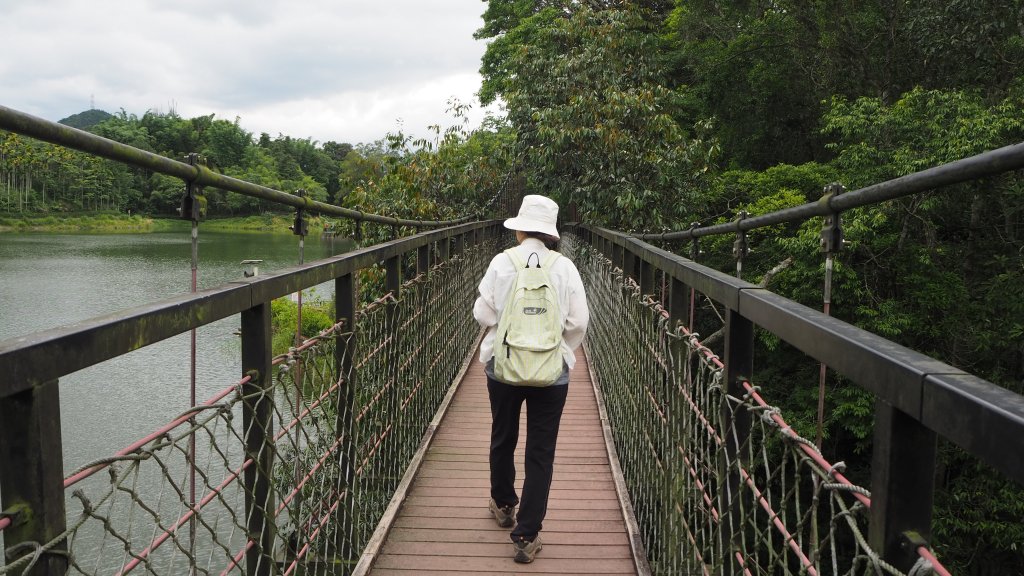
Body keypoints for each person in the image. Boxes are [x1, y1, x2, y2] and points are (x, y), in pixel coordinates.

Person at [472, 194, 590, 563]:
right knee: (541, 451)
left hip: (503, 367)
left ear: (520, 228)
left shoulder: (501, 262)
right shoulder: (565, 267)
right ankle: (526, 535)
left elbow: (482, 314)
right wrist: (558, 351)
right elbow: (579, 323)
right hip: (551, 372)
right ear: (552, 233)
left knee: (503, 435)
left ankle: (504, 504)